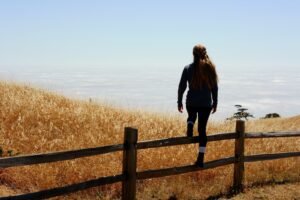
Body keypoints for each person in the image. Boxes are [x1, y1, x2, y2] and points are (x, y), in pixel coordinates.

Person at [177, 44, 218, 167]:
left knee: (192, 115)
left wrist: (179, 101)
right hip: (205, 103)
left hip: (191, 102)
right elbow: (215, 87)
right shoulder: (210, 68)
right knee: (202, 131)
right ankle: (200, 159)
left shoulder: (188, 68)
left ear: (193, 54)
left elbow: (182, 86)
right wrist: (215, 102)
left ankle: (190, 123)